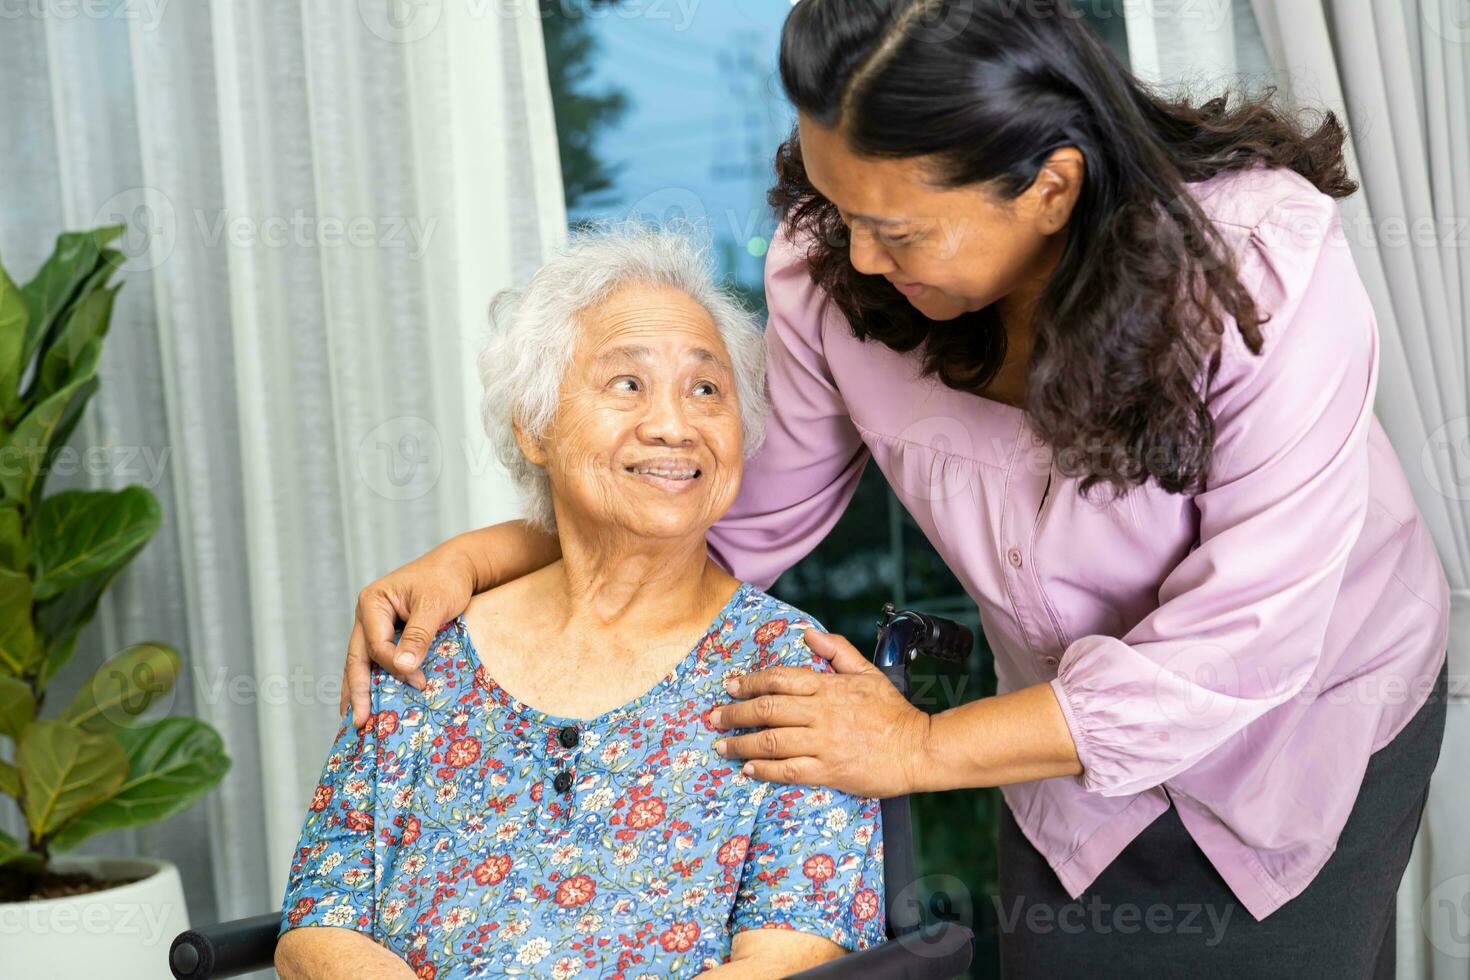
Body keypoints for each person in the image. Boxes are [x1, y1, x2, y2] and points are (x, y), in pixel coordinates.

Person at [339, 1, 1450, 975]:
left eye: (897, 228)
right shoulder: (834, 267)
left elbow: (1243, 643)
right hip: (1052, 733)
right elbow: (728, 515)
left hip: (1307, 712)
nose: (859, 260)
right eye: (838, 207)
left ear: (1050, 186)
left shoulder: (1260, 263)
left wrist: (918, 747)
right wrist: (478, 561)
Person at [275, 227, 886, 980]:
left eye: (706, 389)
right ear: (535, 427)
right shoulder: (424, 650)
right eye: (627, 384)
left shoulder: (793, 674)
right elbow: (318, 925)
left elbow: (798, 952)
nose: (673, 424)